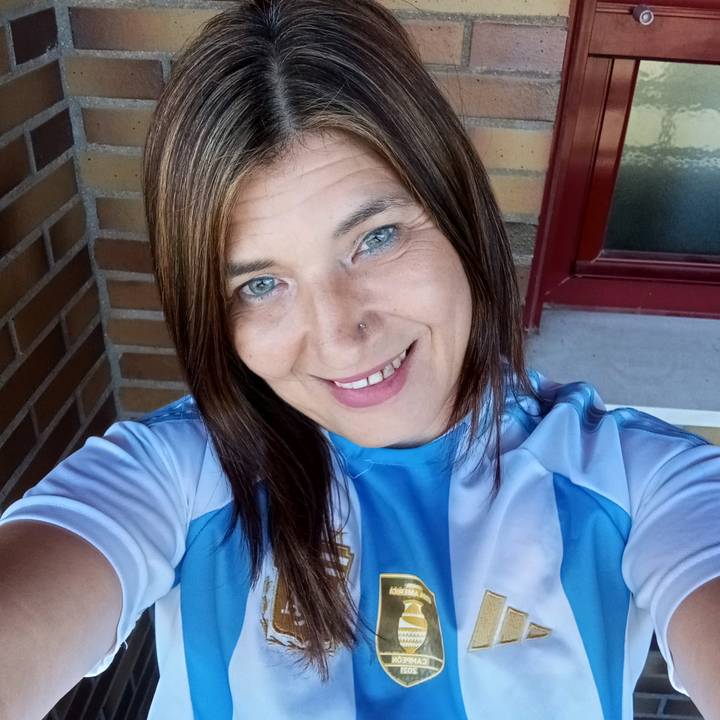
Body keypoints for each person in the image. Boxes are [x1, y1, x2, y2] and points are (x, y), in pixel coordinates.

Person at [0, 1, 718, 718]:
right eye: (261, 284)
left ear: (461, 216)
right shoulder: (176, 476)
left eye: (376, 239)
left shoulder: (636, 481)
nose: (340, 336)